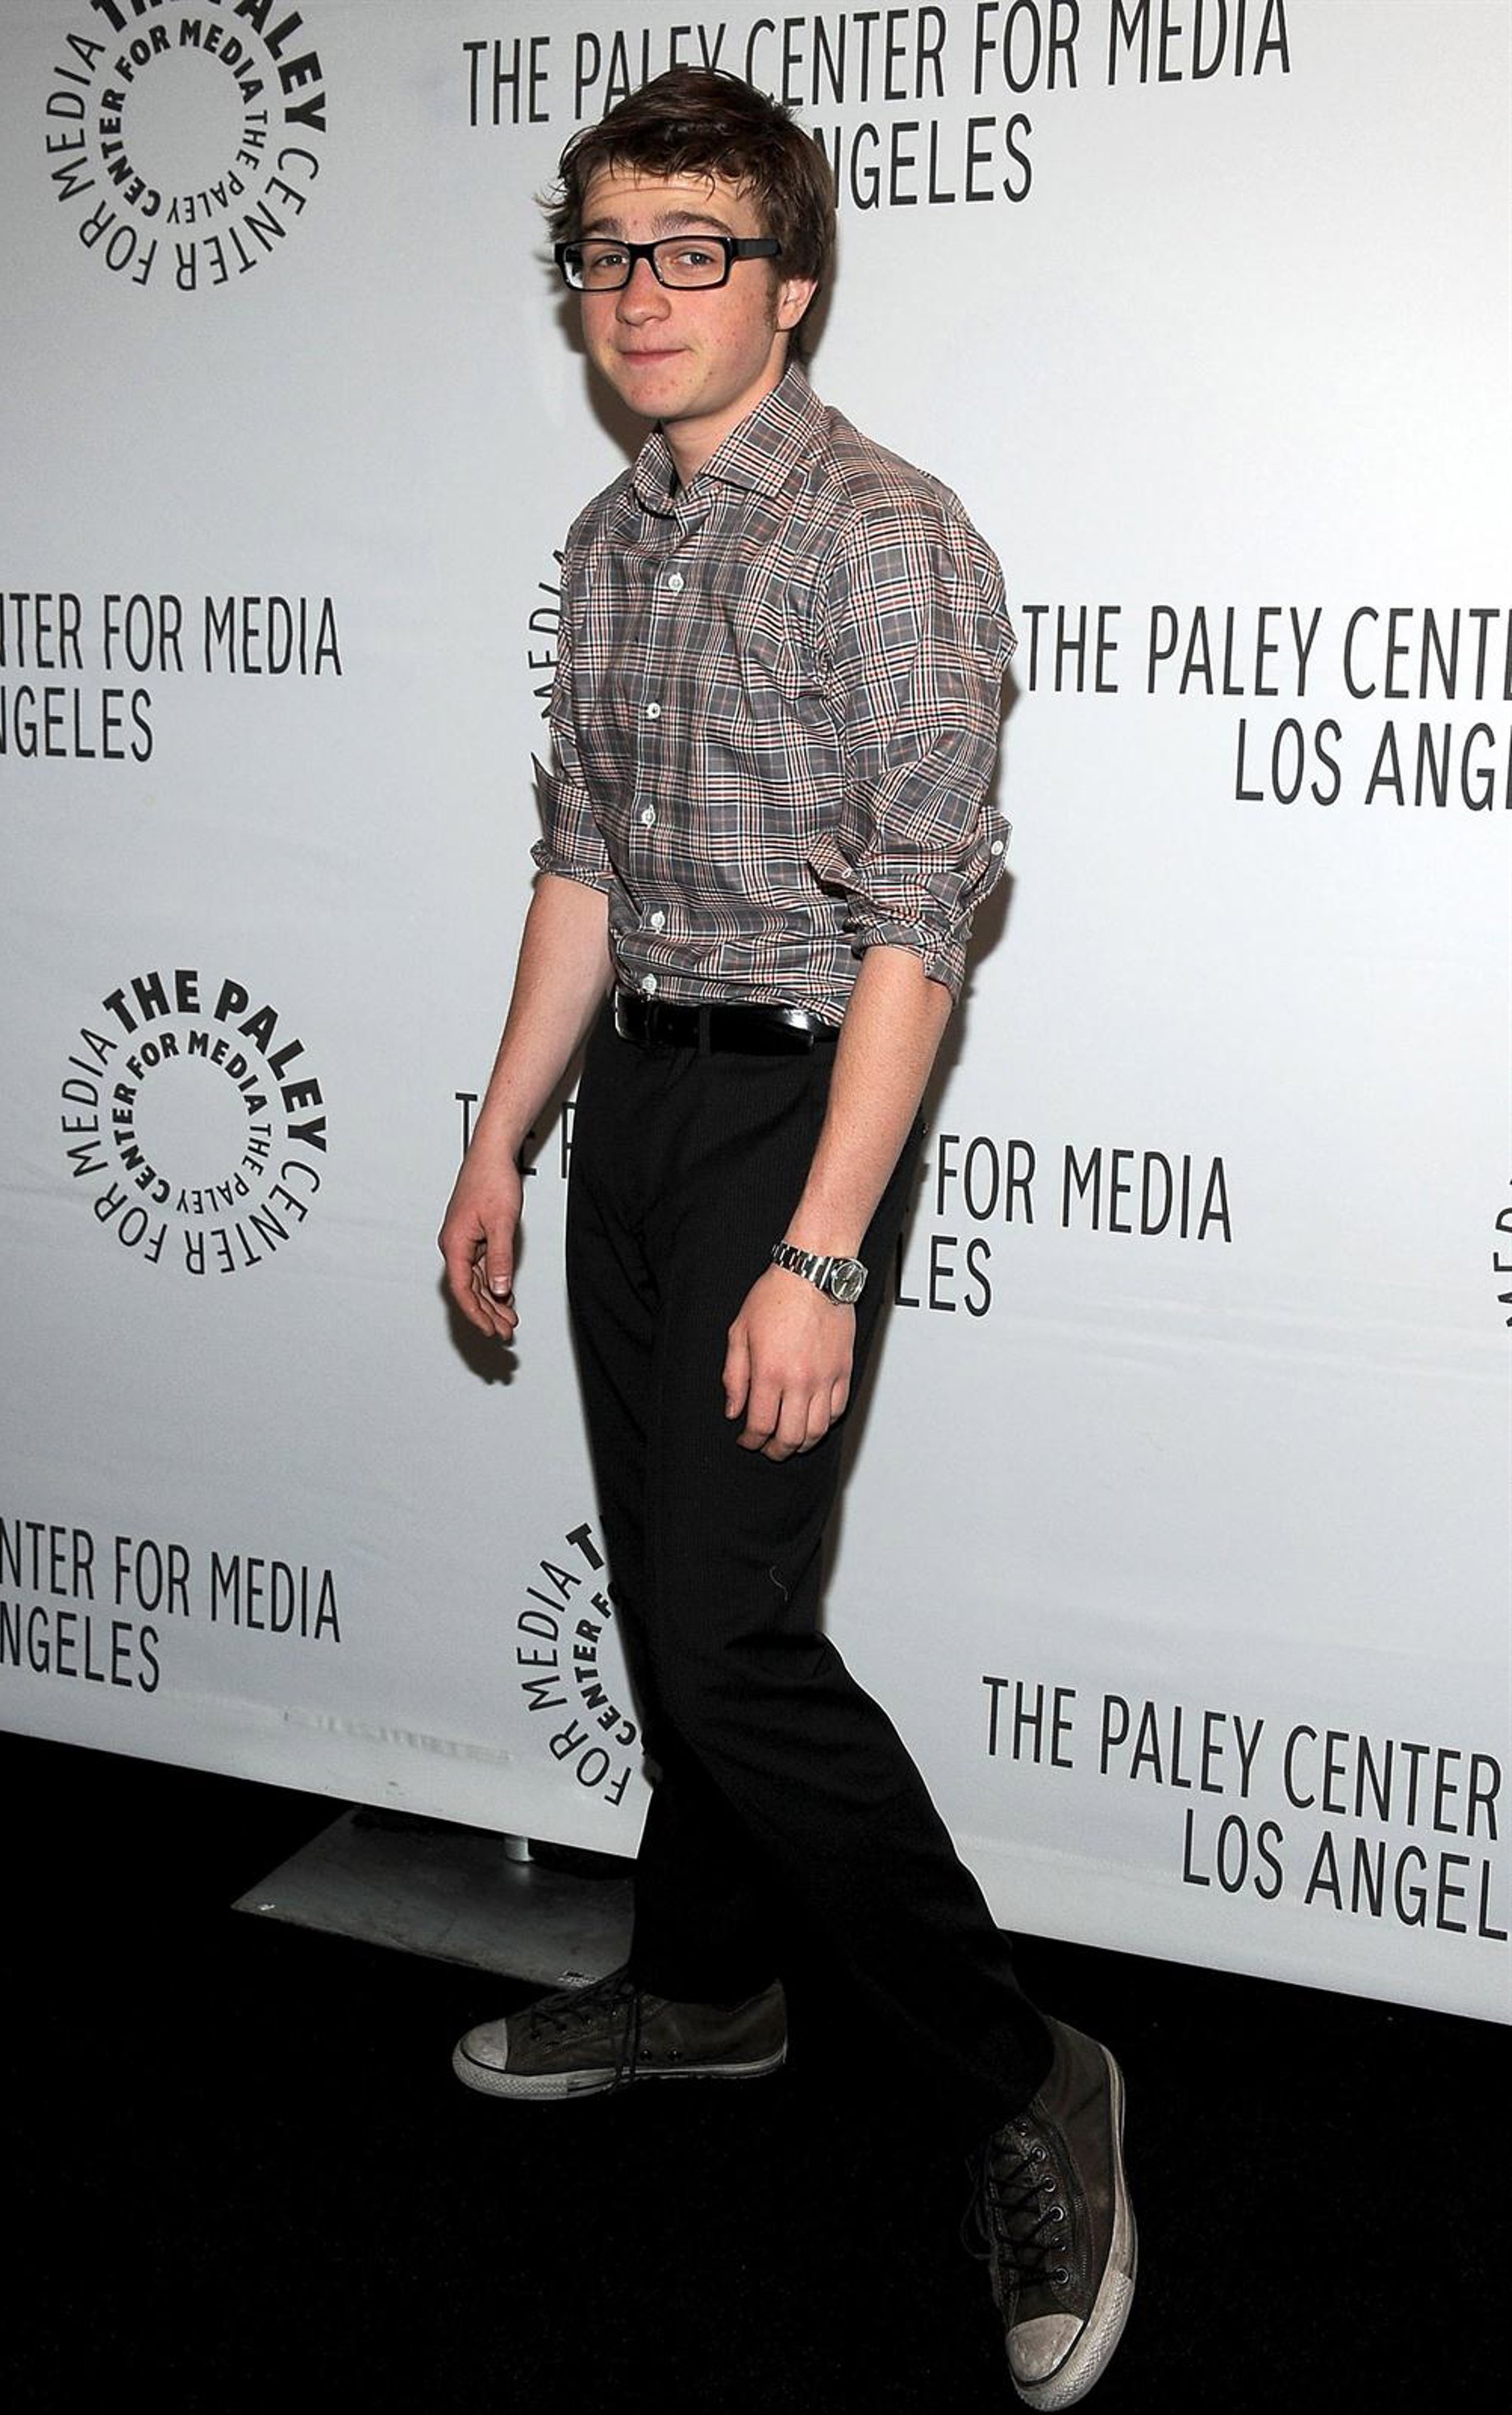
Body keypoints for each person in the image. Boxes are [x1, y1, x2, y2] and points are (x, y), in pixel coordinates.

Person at [438, 69, 1134, 2410]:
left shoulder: (889, 538)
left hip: (797, 1114)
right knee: (674, 1604)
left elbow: (924, 923)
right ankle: (711, 1984)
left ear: (792, 286)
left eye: (696, 249)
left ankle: (1025, 2078)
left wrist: (823, 1249)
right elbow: (580, 864)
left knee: (733, 1639)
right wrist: (499, 1140)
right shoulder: (607, 541)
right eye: (609, 252)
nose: (643, 292)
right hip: (637, 1096)